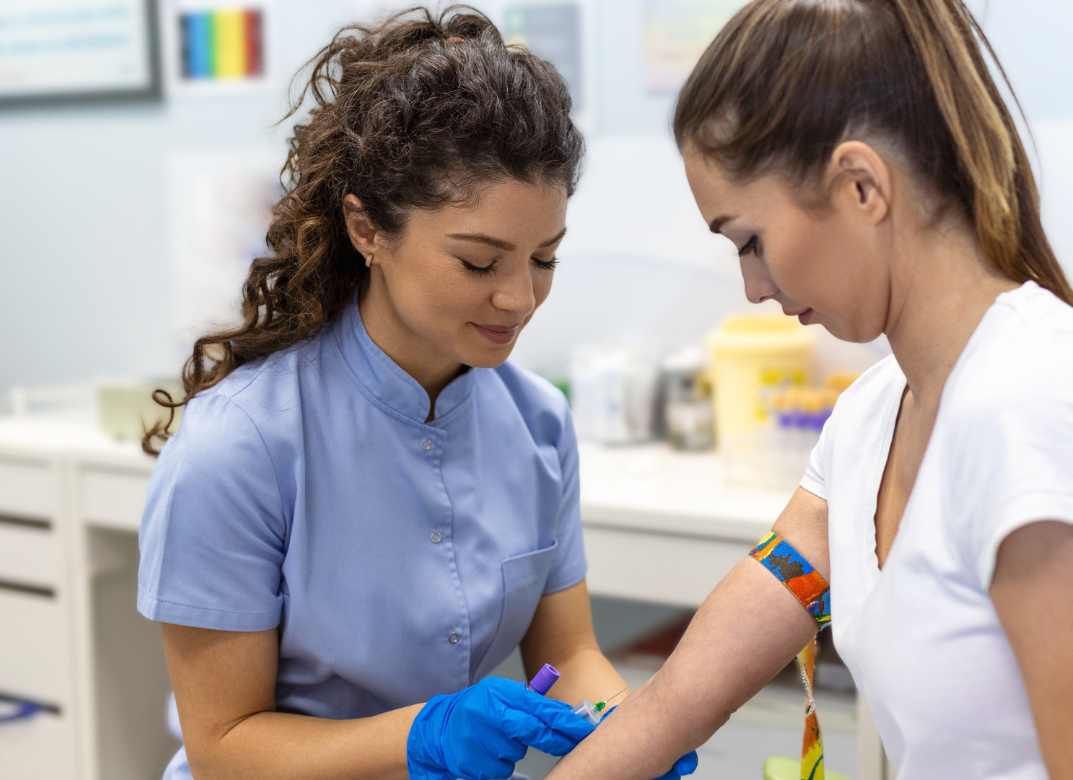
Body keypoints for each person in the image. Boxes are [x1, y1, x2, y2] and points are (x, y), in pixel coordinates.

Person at [547, 1, 1073, 779]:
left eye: (751, 241)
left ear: (861, 185)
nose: (751, 287)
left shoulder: (1048, 416)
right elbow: (683, 698)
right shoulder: (871, 419)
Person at [137, 8, 694, 780]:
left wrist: (630, 731)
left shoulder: (538, 424)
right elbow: (223, 748)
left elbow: (568, 652)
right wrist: (421, 735)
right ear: (367, 228)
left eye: (546, 259)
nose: (520, 299)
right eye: (478, 262)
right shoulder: (239, 448)